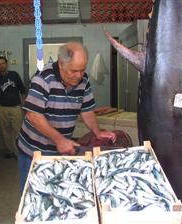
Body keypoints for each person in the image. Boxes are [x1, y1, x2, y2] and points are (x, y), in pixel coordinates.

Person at [17, 42, 116, 192]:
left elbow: (87, 110)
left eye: (82, 70)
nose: (79, 76)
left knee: (56, 194)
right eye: (74, 71)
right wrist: (60, 140)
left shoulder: (84, 80)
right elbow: (33, 115)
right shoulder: (43, 78)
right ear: (61, 63)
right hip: (33, 153)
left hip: (60, 153)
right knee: (33, 196)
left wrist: (98, 132)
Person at [0, 56, 26, 159]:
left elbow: (22, 89)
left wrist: (23, 103)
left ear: (7, 64)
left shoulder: (14, 74)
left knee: (17, 130)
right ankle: (10, 151)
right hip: (2, 108)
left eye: (3, 63)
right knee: (5, 131)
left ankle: (18, 152)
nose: (1, 65)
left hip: (15, 107)